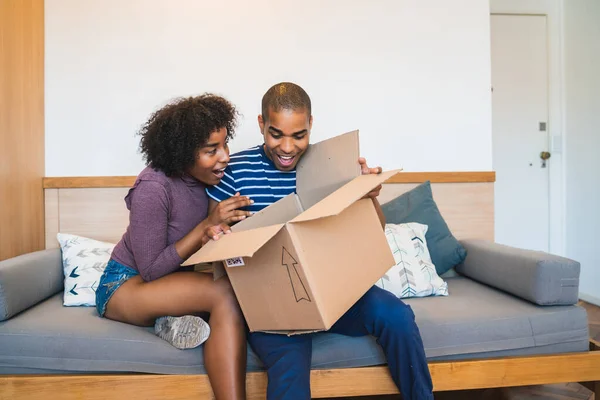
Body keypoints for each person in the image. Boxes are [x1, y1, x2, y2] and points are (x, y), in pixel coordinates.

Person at [206, 82, 434, 400]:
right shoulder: (232, 172)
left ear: (311, 125)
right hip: (272, 302)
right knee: (290, 363)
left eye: (299, 135)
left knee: (397, 316)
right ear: (261, 124)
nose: (287, 147)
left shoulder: (331, 165)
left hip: (334, 289)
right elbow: (214, 249)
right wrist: (220, 231)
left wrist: (365, 194)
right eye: (276, 134)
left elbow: (375, 230)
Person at [96, 94, 252, 400]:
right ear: (183, 153)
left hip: (170, 282)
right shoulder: (153, 188)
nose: (224, 157)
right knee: (226, 294)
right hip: (125, 285)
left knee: (237, 284)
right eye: (211, 150)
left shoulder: (211, 180)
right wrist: (204, 227)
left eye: (225, 145)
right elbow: (151, 270)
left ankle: (168, 322)